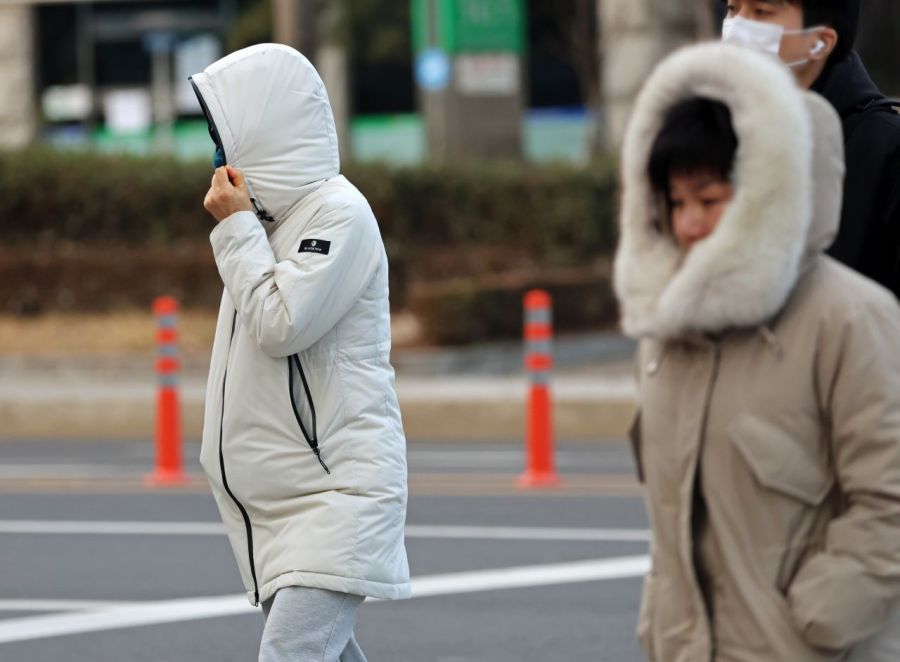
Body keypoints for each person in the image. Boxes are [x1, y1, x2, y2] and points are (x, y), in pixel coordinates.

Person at [614, 43, 900, 661]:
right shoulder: (665, 331)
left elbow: (888, 502)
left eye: (709, 200)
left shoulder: (850, 317)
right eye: (676, 202)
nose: (689, 223)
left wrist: (813, 623)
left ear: (763, 191)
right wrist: (660, 623)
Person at [192, 43, 410, 662]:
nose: (217, 157)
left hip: (337, 493)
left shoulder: (339, 215)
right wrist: (246, 228)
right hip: (285, 502)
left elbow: (280, 324)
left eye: (224, 138)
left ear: (265, 134)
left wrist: (236, 229)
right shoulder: (272, 224)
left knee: (292, 653)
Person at [720, 0, 900, 296]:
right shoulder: (714, 135)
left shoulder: (886, 150)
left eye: (761, 12)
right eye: (732, 9)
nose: (737, 26)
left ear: (820, 42)